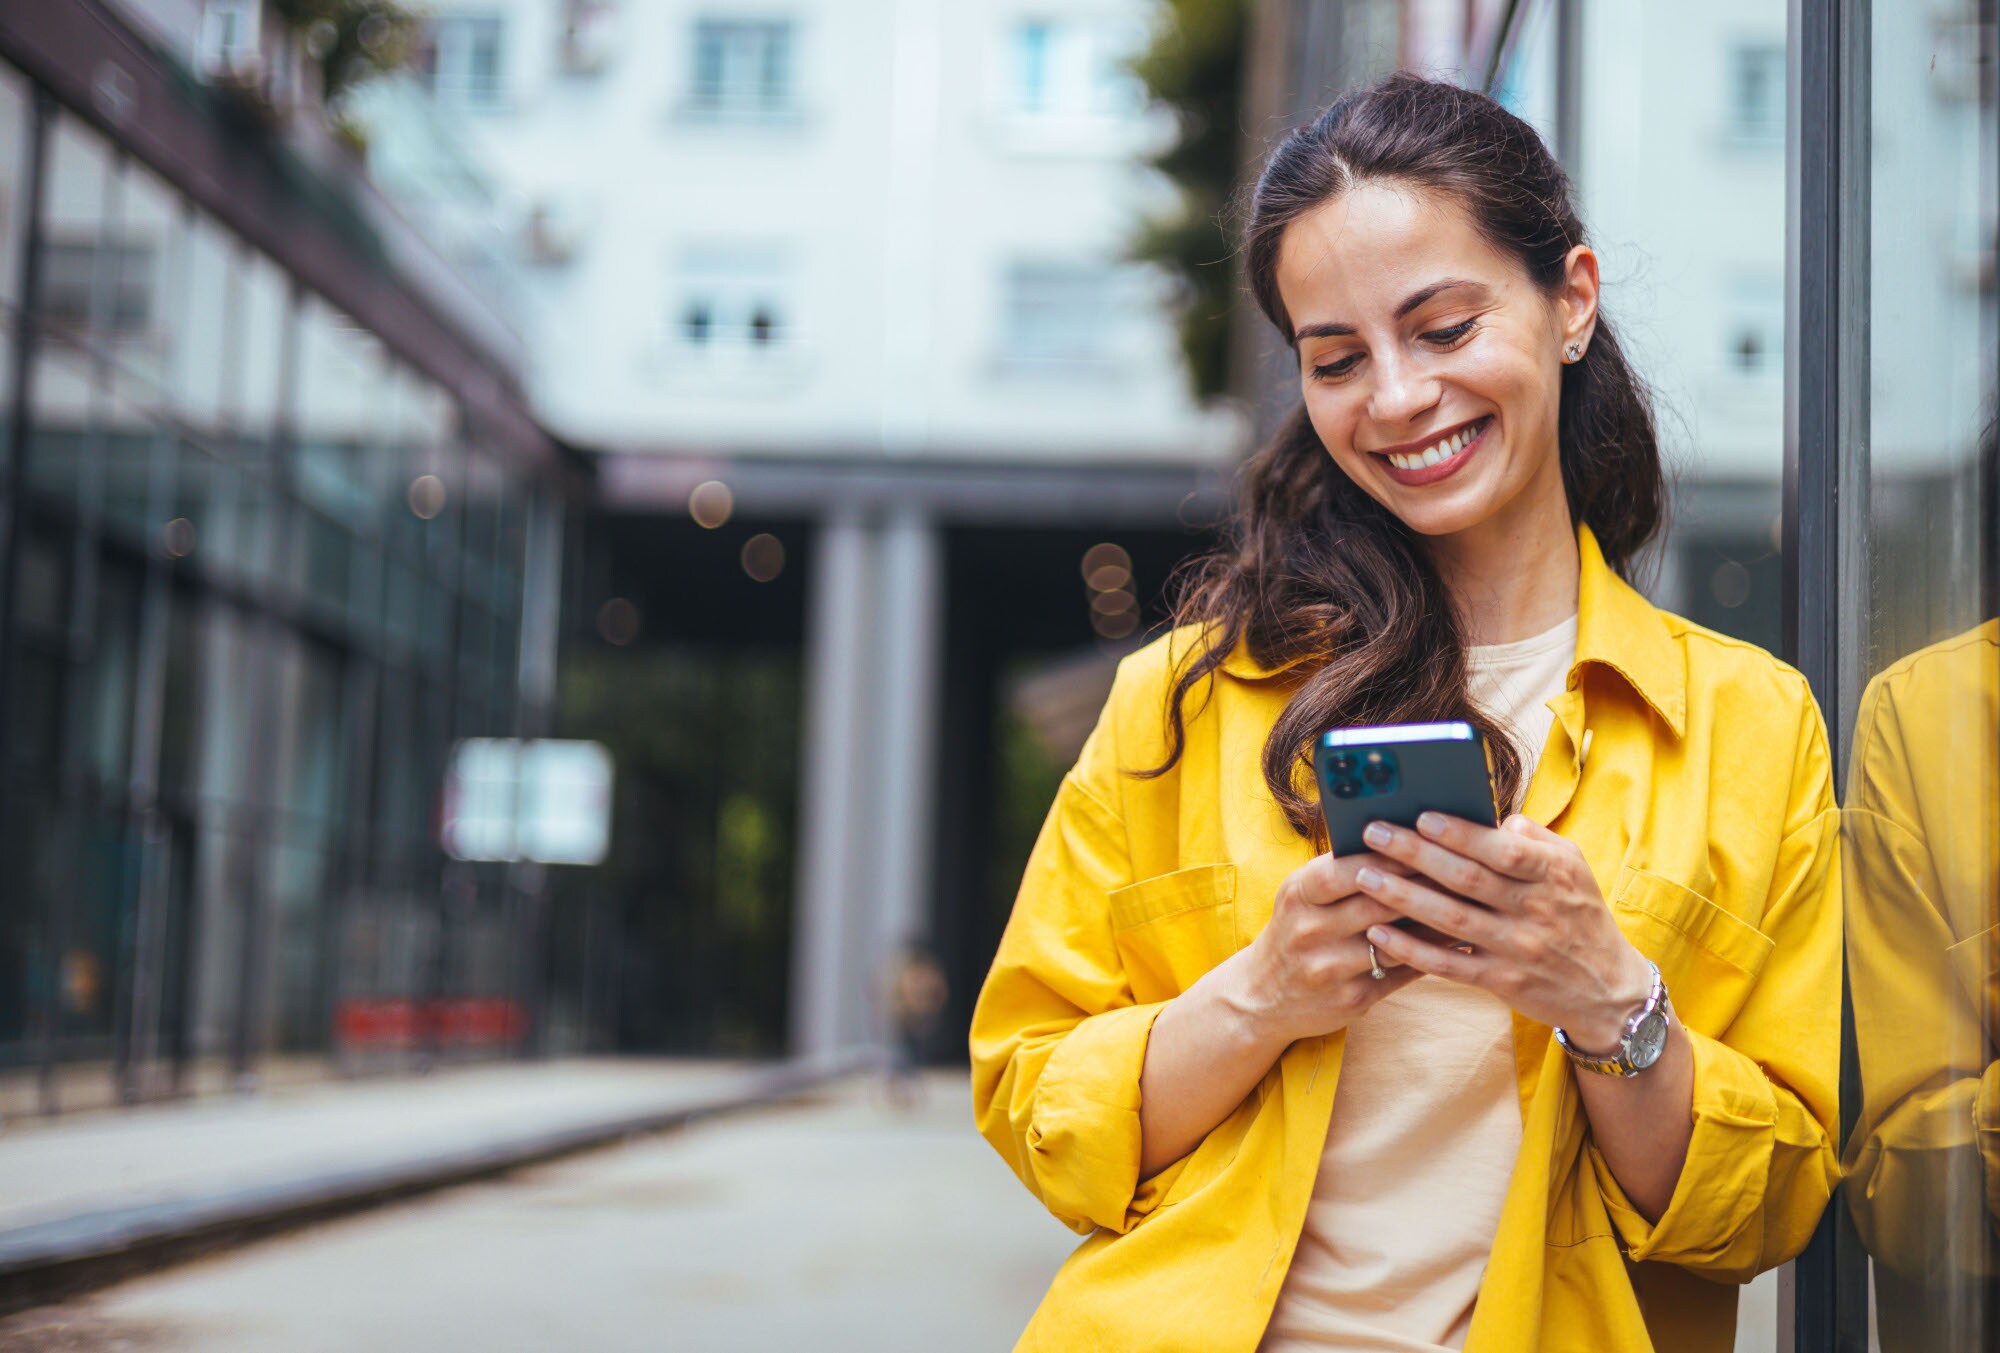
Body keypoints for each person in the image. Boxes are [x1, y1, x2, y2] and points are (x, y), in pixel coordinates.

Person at [969, 74, 1840, 1353]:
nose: (1392, 399)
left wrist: (1609, 1004)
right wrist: (1257, 996)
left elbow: (1769, 1210)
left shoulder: (1749, 727)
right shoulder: (1186, 699)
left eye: (1440, 328)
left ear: (1570, 303)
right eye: (1335, 359)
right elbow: (1033, 1104)